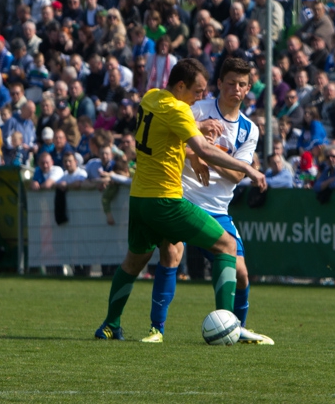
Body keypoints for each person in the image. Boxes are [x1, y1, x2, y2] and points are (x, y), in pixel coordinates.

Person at [95, 58, 267, 341]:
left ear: (248, 88)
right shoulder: (185, 110)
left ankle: (110, 325)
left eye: (241, 84)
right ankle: (218, 327)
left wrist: (196, 134)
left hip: (140, 197)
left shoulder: (151, 98)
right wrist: (247, 167)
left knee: (133, 263)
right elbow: (200, 146)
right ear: (181, 86)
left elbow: (171, 131)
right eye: (197, 91)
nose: (201, 96)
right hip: (169, 198)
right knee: (223, 245)